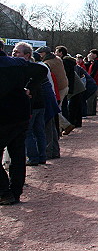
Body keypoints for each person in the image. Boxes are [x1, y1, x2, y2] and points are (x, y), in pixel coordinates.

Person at [0, 40, 47, 205]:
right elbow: (42, 69)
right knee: (18, 154)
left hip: (4, 116)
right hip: (20, 114)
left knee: (17, 153)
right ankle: (15, 191)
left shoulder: (13, 63)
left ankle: (5, 192)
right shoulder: (17, 63)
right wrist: (30, 88)